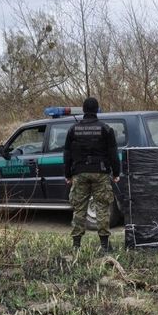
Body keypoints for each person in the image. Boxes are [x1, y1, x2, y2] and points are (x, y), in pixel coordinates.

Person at [64, 97, 120, 252]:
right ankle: (105, 246)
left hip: (79, 173)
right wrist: (116, 173)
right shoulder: (106, 129)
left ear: (83, 110)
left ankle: (76, 246)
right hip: (100, 173)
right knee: (102, 207)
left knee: (79, 208)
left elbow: (67, 154)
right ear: (97, 110)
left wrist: (67, 174)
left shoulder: (73, 129)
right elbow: (113, 154)